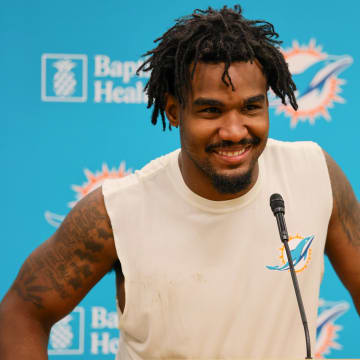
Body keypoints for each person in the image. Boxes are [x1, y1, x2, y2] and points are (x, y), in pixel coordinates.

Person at [0, 5, 359, 360]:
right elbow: (22, 313)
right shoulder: (118, 212)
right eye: (211, 111)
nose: (235, 131)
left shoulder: (315, 173)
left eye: (251, 108)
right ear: (174, 111)